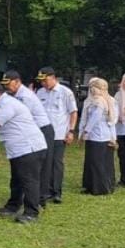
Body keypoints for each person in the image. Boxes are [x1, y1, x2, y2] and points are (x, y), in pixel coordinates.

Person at [0, 82, 47, 223]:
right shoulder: (4, 103)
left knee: (29, 181)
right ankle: (13, 206)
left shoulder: (8, 104)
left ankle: (31, 212)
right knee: (17, 179)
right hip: (19, 149)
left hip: (29, 147)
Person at [2, 70, 53, 207]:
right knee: (23, 169)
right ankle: (23, 199)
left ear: (18, 82)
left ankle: (40, 199)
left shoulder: (25, 97)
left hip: (41, 129)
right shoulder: (14, 95)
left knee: (39, 168)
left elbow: (22, 117)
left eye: (9, 83)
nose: (7, 86)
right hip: (31, 131)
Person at [36, 67, 78, 203]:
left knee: (56, 163)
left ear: (53, 77)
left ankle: (56, 191)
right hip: (43, 133)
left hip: (59, 133)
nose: (43, 83)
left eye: (45, 80)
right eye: (41, 81)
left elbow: (73, 112)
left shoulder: (65, 92)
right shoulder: (40, 92)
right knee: (44, 162)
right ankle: (44, 190)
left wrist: (71, 131)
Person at [78, 77, 118, 194]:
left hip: (99, 135)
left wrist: (86, 131)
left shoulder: (100, 101)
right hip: (95, 135)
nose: (92, 90)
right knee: (93, 161)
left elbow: (95, 117)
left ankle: (99, 187)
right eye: (91, 87)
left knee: (97, 162)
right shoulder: (95, 100)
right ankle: (92, 185)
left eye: (94, 87)